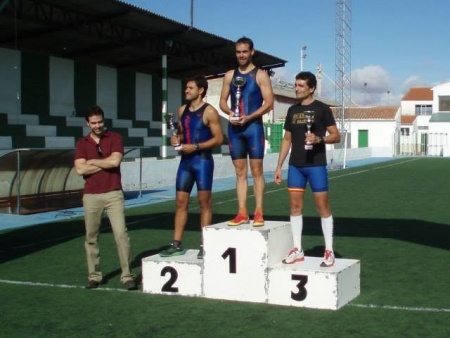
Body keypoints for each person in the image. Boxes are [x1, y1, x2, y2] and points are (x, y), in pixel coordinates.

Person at [273, 71, 341, 267]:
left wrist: (320, 139)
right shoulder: (292, 111)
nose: (296, 88)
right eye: (296, 85)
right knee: (295, 207)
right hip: (295, 166)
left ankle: (328, 250)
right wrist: (279, 166)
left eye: (301, 86)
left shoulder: (322, 109)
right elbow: (287, 139)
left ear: (311, 88)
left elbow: (336, 135)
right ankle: (297, 249)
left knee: (322, 207)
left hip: (316, 165)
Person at [159, 75, 224, 259]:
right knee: (180, 202)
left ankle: (205, 244)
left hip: (202, 161)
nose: (186, 91)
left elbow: (219, 138)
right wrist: (176, 139)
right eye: (186, 88)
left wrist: (195, 147)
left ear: (200, 90)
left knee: (205, 203)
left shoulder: (209, 112)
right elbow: (181, 132)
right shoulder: (182, 110)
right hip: (186, 163)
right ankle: (176, 243)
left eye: (190, 88)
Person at [74, 105, 137, 290]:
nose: (97, 125)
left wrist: (92, 162)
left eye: (100, 121)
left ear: (104, 120)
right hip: (91, 195)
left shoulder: (115, 138)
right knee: (91, 237)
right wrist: (104, 163)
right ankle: (94, 275)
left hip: (113, 193)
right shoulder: (82, 143)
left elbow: (115, 161)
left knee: (121, 234)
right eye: (93, 123)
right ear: (87, 123)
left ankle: (127, 276)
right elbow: (80, 169)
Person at [219, 36, 274, 227]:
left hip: (253, 128)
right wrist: (231, 114)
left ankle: (259, 212)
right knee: (240, 171)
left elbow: (269, 103)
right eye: (238, 52)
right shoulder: (228, 75)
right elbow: (222, 102)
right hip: (235, 129)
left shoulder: (260, 75)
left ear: (252, 52)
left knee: (257, 170)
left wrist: (249, 117)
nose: (241, 55)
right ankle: (242, 212)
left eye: (245, 51)